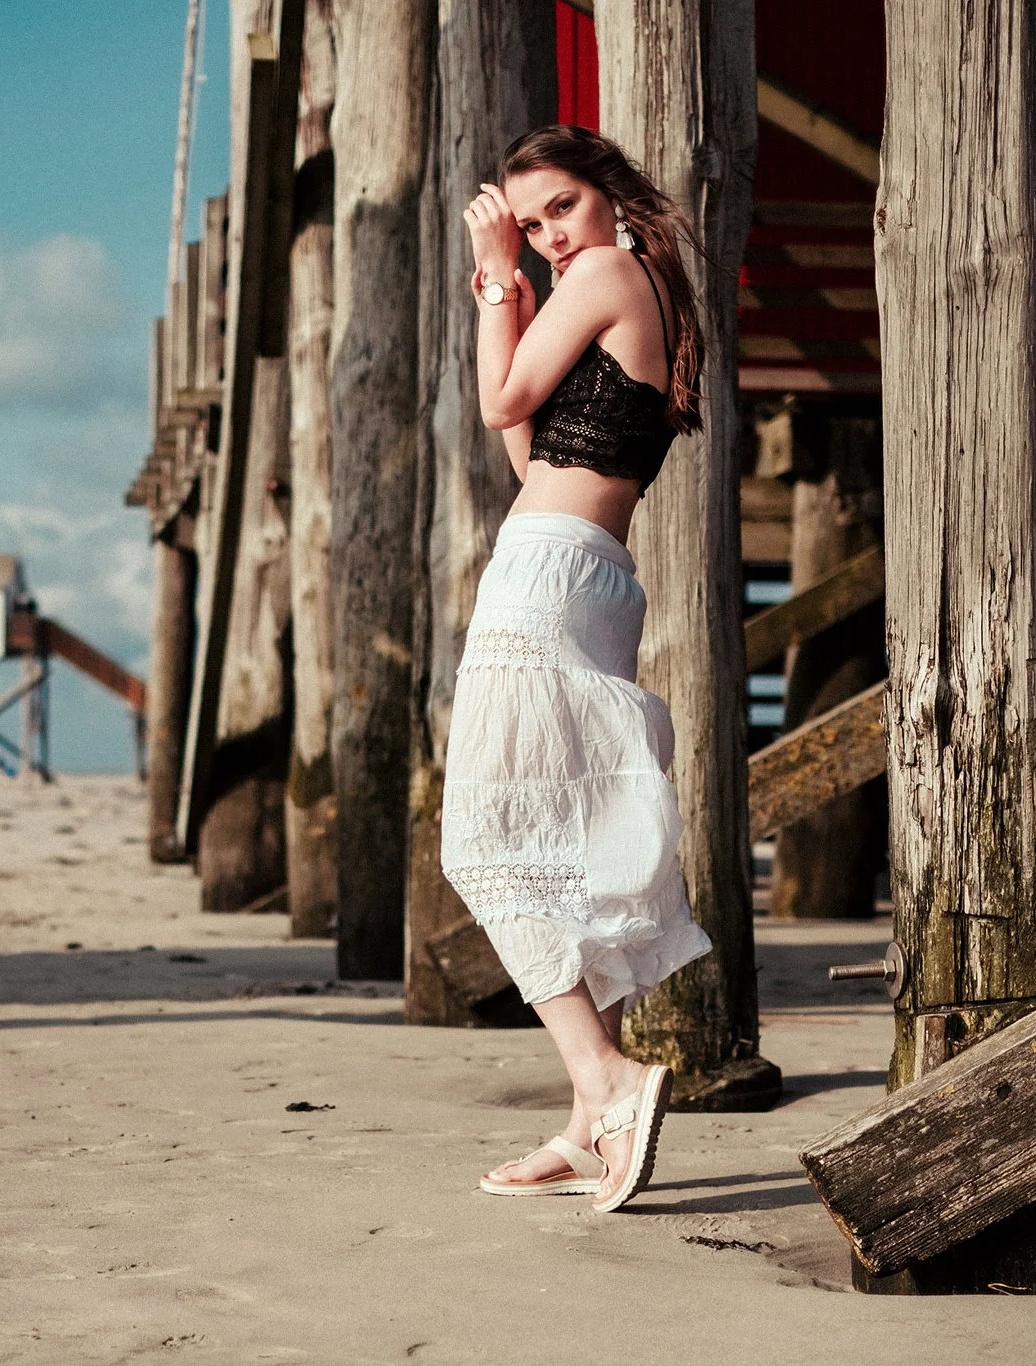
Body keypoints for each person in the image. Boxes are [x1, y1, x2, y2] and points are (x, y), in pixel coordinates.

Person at [442, 124, 715, 1213]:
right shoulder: (624, 288)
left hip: (548, 577)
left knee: (481, 836)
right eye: (531, 217)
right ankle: (581, 1114)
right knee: (550, 833)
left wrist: (507, 274)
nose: (550, 234)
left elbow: (497, 404)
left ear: (608, 198)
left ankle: (606, 1076)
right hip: (582, 569)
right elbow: (521, 448)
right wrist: (494, 294)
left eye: (559, 206)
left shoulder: (606, 270)